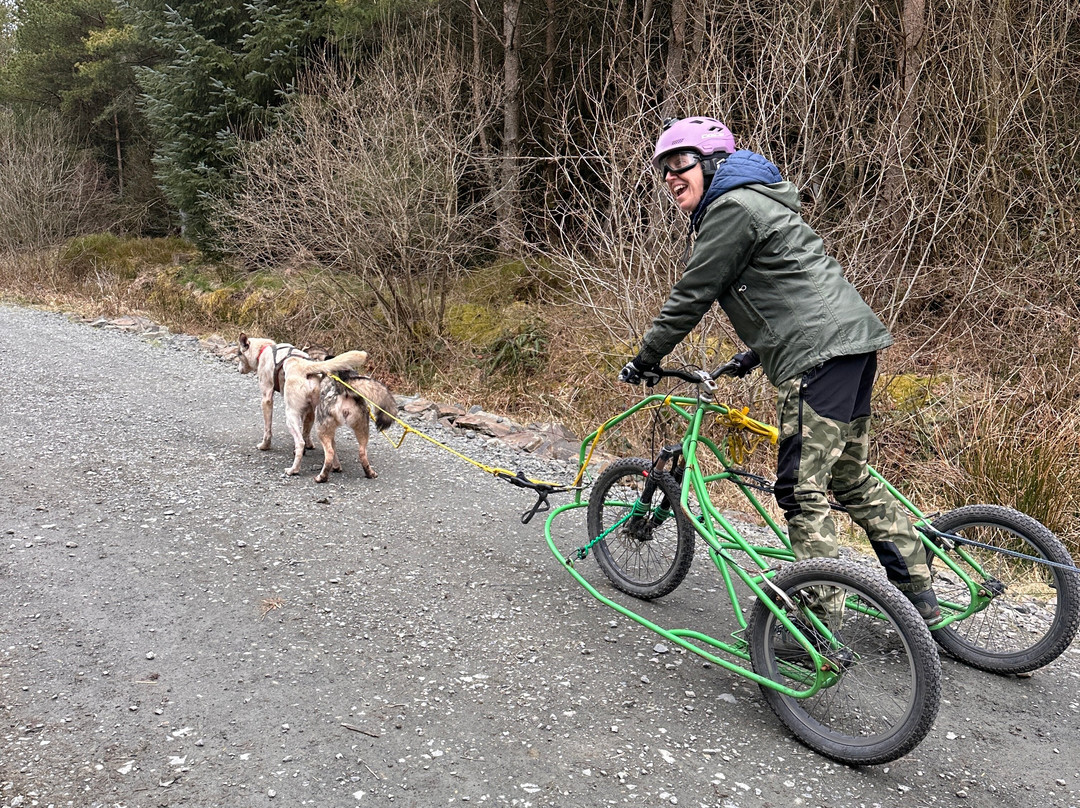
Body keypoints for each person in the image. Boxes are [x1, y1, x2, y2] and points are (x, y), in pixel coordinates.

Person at [618, 116, 941, 625]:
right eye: (664, 169)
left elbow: (692, 294)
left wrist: (646, 357)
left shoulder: (730, 208)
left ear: (712, 163)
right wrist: (754, 354)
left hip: (819, 355)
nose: (671, 176)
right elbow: (792, 286)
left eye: (681, 163)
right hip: (850, 347)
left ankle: (819, 621)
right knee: (850, 477)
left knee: (799, 488)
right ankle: (920, 597)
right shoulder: (760, 201)